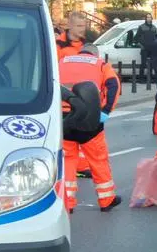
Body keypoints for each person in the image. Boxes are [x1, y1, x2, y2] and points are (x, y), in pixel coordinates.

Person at [59, 44, 122, 213]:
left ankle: (67, 202)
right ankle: (106, 199)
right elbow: (114, 86)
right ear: (95, 53)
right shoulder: (100, 64)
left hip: (64, 117)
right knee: (98, 159)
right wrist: (106, 110)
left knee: (67, 159)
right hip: (90, 117)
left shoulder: (61, 61)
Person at [56, 11, 93, 178]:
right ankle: (69, 166)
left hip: (84, 96)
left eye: (83, 26)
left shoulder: (86, 45)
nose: (82, 29)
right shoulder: (59, 46)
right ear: (69, 25)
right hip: (65, 99)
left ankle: (82, 166)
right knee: (68, 139)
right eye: (78, 26)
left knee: (84, 134)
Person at [136, 13, 157, 77]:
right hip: (144, 49)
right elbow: (136, 38)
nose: (149, 18)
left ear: (151, 18)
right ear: (145, 18)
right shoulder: (141, 27)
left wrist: (155, 46)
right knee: (143, 64)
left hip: (152, 49)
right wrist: (141, 46)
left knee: (151, 64)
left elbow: (156, 38)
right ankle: (141, 78)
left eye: (150, 17)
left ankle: (149, 79)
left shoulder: (154, 27)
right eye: (147, 17)